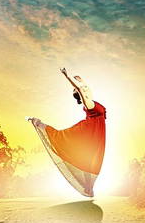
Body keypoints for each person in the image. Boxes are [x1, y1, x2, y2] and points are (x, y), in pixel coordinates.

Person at [27, 68, 106, 197]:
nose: (83, 88)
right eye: (79, 89)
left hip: (93, 129)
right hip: (89, 130)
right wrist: (67, 76)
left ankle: (88, 188)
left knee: (88, 157)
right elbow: (81, 90)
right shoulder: (88, 103)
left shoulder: (90, 99)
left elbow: (86, 88)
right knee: (62, 138)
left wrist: (82, 81)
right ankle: (40, 124)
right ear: (80, 94)